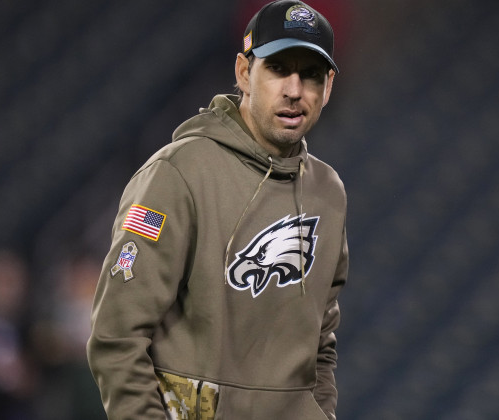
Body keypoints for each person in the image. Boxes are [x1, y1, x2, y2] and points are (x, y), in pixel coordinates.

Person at [87, 1, 348, 419]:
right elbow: (116, 337)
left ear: (328, 85)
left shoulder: (328, 192)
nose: (295, 90)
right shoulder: (177, 175)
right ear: (245, 73)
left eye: (311, 74)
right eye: (278, 68)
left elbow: (321, 345)